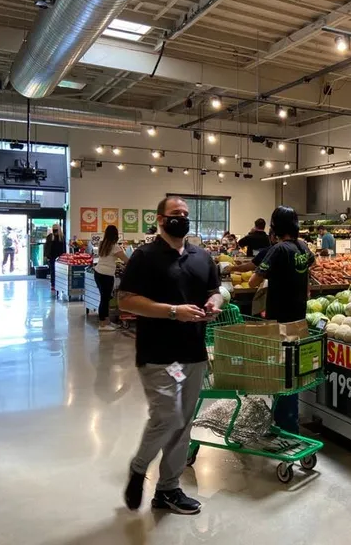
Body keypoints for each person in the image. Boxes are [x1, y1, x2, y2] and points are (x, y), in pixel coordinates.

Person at [118, 196, 223, 515]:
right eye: (176, 214)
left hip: (192, 352)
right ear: (161, 219)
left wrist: (213, 304)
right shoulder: (145, 256)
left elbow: (214, 290)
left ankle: (167, 490)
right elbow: (126, 300)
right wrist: (173, 312)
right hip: (159, 353)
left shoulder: (201, 256)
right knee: (168, 416)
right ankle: (139, 468)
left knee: (183, 423)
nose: (183, 219)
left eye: (186, 215)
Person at [248, 206, 315, 433]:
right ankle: (284, 420)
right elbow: (307, 282)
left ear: (275, 226)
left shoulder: (278, 249)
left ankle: (286, 425)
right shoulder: (303, 247)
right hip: (299, 320)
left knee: (280, 372)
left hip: (278, 321)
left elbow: (252, 282)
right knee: (291, 371)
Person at [94, 225, 129, 331]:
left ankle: (106, 321)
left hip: (98, 272)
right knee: (105, 299)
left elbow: (107, 259)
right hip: (106, 275)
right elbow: (126, 260)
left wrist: (118, 265)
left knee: (104, 298)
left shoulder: (102, 244)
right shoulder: (115, 246)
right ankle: (102, 325)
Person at [45, 224, 66, 291]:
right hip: (54, 257)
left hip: (58, 257)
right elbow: (47, 247)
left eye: (55, 228)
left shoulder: (61, 237)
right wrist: (47, 256)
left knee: (55, 271)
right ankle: (53, 284)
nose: (54, 230)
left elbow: (47, 247)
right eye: (54, 228)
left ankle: (55, 284)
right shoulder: (52, 237)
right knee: (54, 271)